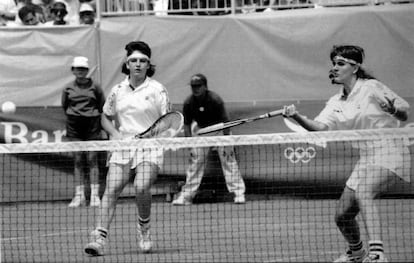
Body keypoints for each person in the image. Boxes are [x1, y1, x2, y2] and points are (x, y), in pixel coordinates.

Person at [282, 45, 410, 263]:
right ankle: (356, 252)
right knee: (342, 216)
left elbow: (404, 112)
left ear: (355, 67)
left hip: (390, 149)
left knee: (364, 192)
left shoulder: (371, 87)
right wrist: (297, 117)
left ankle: (377, 253)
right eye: (334, 63)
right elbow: (320, 128)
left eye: (340, 63)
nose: (335, 68)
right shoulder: (335, 102)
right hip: (366, 157)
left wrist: (392, 110)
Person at [84, 41, 171, 256]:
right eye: (134, 61)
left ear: (149, 65)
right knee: (111, 190)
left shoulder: (157, 89)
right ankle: (99, 239)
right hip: (123, 145)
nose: (138, 65)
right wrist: (114, 134)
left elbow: (168, 119)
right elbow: (105, 115)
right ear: (127, 63)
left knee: (141, 186)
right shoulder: (118, 90)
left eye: (143, 61)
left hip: (149, 146)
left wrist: (156, 135)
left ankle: (144, 229)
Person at [172, 73, 246, 205]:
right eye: (193, 86)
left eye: (198, 86)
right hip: (202, 132)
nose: (195, 89)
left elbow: (226, 121)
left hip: (219, 130)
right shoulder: (189, 102)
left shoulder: (215, 99)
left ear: (205, 86)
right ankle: (187, 196)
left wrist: (227, 140)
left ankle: (238, 193)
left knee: (229, 161)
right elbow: (187, 124)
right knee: (195, 164)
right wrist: (189, 143)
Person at [62, 56, 106, 208]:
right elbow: (65, 105)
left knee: (92, 160)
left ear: (87, 71)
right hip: (74, 127)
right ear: (73, 71)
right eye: (77, 69)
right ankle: (79, 196)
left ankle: (94, 196)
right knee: (78, 160)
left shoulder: (96, 87)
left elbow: (102, 106)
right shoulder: (67, 88)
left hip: (92, 126)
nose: (80, 71)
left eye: (83, 69)